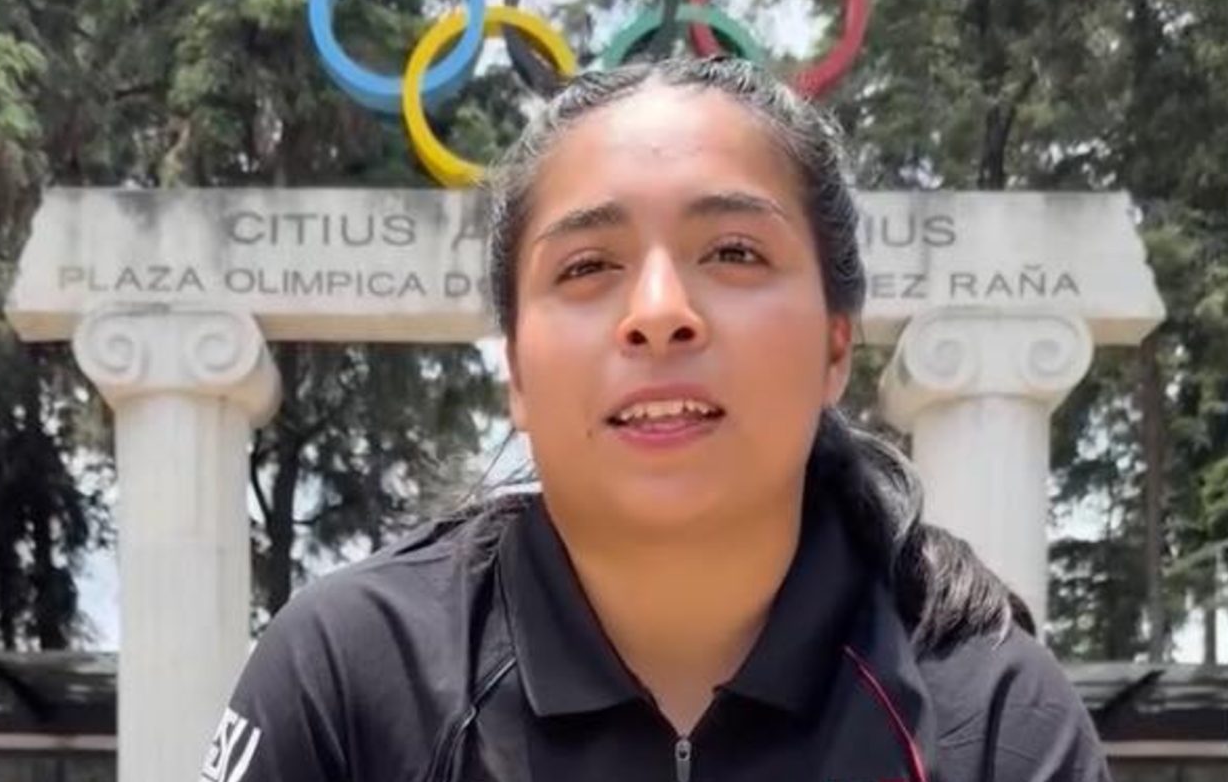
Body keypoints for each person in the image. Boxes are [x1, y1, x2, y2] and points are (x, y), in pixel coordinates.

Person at [199, 57, 1111, 782]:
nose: (660, 310)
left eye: (735, 252)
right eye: (588, 266)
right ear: (517, 370)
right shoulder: (349, 674)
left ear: (836, 345)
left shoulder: (990, 715)